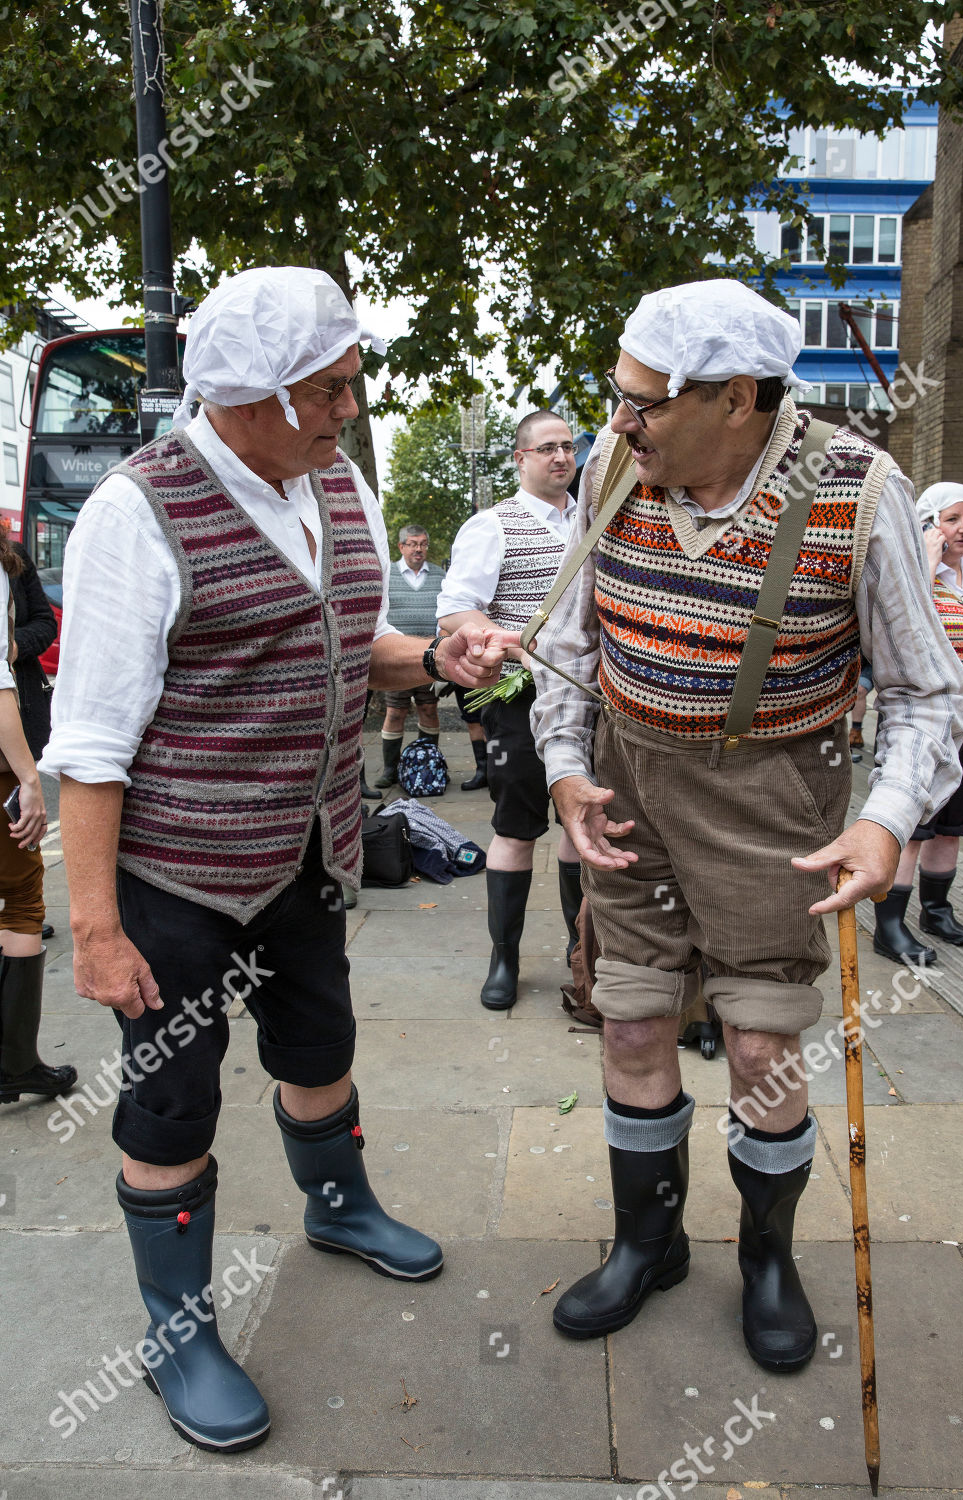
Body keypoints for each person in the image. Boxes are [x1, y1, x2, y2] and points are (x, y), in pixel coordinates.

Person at [39, 267, 516, 1453]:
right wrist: (93, 929)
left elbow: (359, 644)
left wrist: (438, 658)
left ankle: (339, 1206)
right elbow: (90, 746)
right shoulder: (136, 513)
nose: (352, 405)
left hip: (308, 851)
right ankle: (179, 1332)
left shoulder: (329, 479)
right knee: (169, 1102)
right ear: (250, 398)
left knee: (321, 1045)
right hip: (176, 879)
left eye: (353, 381)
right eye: (332, 388)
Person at [529, 279, 963, 1372]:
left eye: (642, 404)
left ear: (736, 399)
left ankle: (767, 1260)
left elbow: (928, 690)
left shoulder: (861, 494)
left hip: (775, 796)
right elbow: (575, 644)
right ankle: (649, 1243)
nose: (616, 424)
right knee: (630, 1024)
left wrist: (883, 822)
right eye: (615, 398)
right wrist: (561, 768)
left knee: (763, 1044)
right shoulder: (610, 469)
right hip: (627, 783)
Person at [437, 411, 584, 1009]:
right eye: (546, 448)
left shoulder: (601, 522)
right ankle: (505, 959)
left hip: (590, 696)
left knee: (584, 824)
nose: (561, 457)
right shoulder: (491, 526)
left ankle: (585, 958)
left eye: (568, 446)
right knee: (515, 827)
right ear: (520, 459)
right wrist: (502, 636)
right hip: (519, 697)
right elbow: (453, 610)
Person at [872, 482, 963, 960]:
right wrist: (924, 560)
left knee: (953, 822)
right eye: (952, 519)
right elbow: (907, 620)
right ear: (930, 526)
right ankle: (890, 926)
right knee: (915, 819)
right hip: (933, 711)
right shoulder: (918, 574)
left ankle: (936, 909)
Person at [0, 529, 75, 1103]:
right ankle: (15, 1064)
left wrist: (16, 645)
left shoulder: (16, 568)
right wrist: (29, 777)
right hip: (4, 754)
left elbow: (40, 629)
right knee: (23, 900)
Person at [372, 525, 446, 788]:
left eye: (423, 543)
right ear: (401, 546)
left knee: (429, 709)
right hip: (397, 658)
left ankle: (427, 764)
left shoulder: (439, 575)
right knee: (395, 712)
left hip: (430, 659)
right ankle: (389, 771)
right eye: (413, 544)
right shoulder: (387, 574)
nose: (419, 549)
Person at [11, 542, 59, 939]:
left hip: (18, 714)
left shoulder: (13, 558)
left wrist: (12, 647)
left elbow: (45, 624)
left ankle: (22, 909)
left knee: (20, 827)